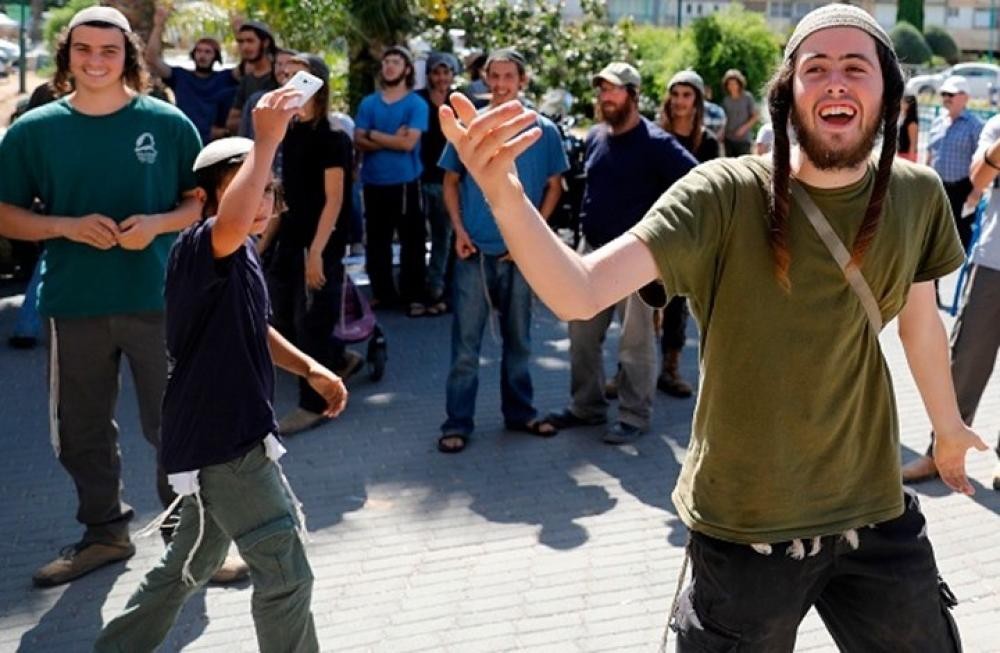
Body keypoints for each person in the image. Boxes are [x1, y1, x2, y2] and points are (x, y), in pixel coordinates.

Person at [438, 4, 987, 648]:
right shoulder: (722, 194)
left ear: (889, 93)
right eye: (815, 68)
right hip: (747, 526)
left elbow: (920, 322)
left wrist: (948, 429)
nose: (835, 82)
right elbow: (578, 293)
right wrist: (504, 194)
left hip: (874, 509)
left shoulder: (916, 194)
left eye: (855, 67)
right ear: (787, 95)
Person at [0, 6, 247, 587]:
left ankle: (193, 539)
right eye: (84, 49)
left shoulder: (167, 123)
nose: (96, 61)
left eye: (109, 50)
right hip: (73, 303)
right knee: (80, 430)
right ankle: (104, 534)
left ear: (127, 56)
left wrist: (157, 224)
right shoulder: (34, 130)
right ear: (67, 56)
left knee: (177, 425)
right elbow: (6, 213)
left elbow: (200, 203)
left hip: (162, 300)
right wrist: (64, 226)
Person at [94, 88, 346, 652]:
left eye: (267, 190)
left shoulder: (243, 252)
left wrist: (311, 368)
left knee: (185, 569)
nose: (260, 202)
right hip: (225, 446)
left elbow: (256, 327)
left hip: (219, 436)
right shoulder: (200, 245)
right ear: (206, 199)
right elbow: (231, 222)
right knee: (286, 574)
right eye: (244, 189)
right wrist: (267, 139)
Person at [543, 62, 696, 445]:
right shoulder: (596, 136)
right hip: (591, 252)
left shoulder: (656, 143)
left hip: (636, 258)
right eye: (602, 90)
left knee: (635, 344)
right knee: (581, 335)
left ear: (633, 94)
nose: (605, 97)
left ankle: (634, 414)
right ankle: (586, 407)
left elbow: (698, 184)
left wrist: (665, 243)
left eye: (613, 89)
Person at [437, 48, 569, 454]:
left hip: (521, 256)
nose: (500, 84)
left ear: (522, 81)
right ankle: (457, 422)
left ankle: (520, 413)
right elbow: (450, 182)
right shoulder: (470, 126)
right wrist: (458, 230)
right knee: (465, 347)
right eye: (494, 76)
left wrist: (533, 235)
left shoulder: (544, 130)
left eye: (508, 76)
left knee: (520, 341)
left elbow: (555, 187)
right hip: (474, 253)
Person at [901, 112, 1000, 492]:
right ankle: (940, 451)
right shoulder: (995, 126)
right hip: (993, 261)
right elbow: (978, 178)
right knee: (967, 357)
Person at [266, 53, 362, 435]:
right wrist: (261, 242)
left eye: (298, 75)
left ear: (318, 85)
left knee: (311, 324)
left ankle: (315, 404)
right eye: (286, 74)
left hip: (319, 244)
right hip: (289, 240)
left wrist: (318, 252)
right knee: (282, 317)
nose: (288, 80)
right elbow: (285, 192)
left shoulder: (334, 137)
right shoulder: (290, 131)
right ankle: (338, 359)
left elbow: (334, 200)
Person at [656, 69, 720, 399]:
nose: (680, 101)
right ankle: (631, 370)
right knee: (642, 305)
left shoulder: (707, 142)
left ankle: (670, 368)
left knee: (676, 304)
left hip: (687, 234)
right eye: (675, 94)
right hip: (653, 228)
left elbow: (713, 191)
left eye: (687, 95)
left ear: (697, 101)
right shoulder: (655, 136)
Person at [354, 45, 429, 316]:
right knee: (377, 241)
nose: (389, 67)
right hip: (374, 181)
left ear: (407, 69)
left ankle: (413, 295)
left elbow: (408, 144)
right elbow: (358, 139)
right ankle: (383, 294)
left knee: (412, 241)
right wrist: (391, 139)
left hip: (406, 182)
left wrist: (374, 134)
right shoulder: (368, 103)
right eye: (386, 62)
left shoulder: (416, 104)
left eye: (396, 62)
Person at [145, 3, 238, 144]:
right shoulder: (180, 76)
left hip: (214, 144)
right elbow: (152, 59)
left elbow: (248, 64)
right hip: (184, 140)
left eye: (208, 52)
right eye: (199, 51)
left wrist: (238, 32)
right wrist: (158, 26)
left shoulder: (225, 78)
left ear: (216, 56)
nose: (202, 55)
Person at [418, 51, 460, 315]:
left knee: (445, 237)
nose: (441, 77)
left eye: (446, 72)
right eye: (436, 72)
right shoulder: (418, 100)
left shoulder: (459, 101)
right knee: (421, 238)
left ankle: (440, 290)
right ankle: (424, 289)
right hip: (421, 177)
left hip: (449, 178)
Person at [928, 76, 984, 252]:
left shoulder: (975, 125)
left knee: (960, 235)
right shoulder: (937, 122)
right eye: (944, 94)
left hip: (963, 189)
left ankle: (959, 268)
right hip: (937, 187)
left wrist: (977, 191)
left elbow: (981, 161)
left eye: (951, 94)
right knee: (934, 234)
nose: (946, 98)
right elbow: (930, 154)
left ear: (965, 97)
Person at [224, 20, 277, 136]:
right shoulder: (246, 80)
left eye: (250, 41)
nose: (245, 47)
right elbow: (231, 122)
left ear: (265, 42)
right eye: (241, 42)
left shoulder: (279, 75)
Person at [240, 47, 296, 139]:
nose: (283, 69)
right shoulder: (257, 100)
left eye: (288, 64)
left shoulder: (306, 101)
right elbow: (244, 136)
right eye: (279, 64)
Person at [720, 68, 758, 156]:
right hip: (728, 139)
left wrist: (743, 128)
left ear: (739, 84)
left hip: (744, 139)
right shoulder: (726, 100)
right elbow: (724, 119)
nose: (732, 86)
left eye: (734, 84)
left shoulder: (747, 97)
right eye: (729, 84)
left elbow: (755, 116)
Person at [898, 94, 919, 162]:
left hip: (907, 155)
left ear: (909, 105)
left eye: (903, 102)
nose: (901, 104)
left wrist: (910, 161)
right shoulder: (904, 119)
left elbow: (913, 143)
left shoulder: (912, 123)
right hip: (902, 154)